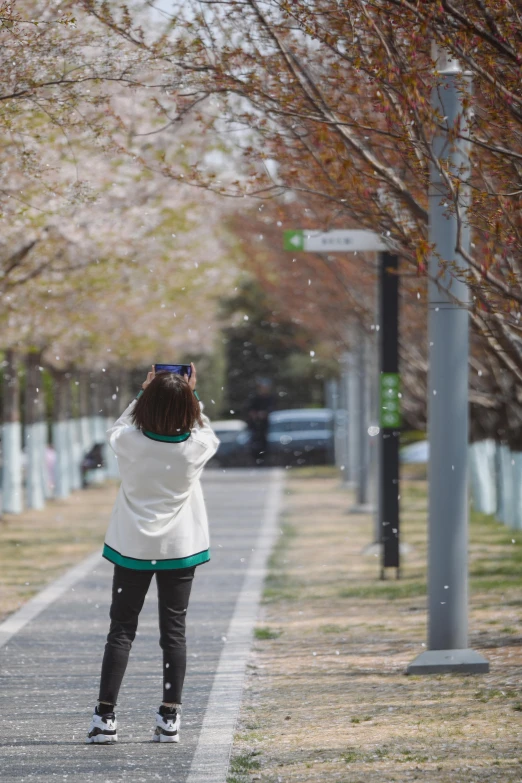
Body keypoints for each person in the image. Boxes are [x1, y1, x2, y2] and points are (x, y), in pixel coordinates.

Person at [87, 363, 219, 745]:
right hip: (180, 548)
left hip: (132, 547)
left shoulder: (130, 442)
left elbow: (117, 428)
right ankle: (169, 718)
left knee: (121, 631)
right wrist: (191, 393)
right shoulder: (195, 448)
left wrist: (145, 391)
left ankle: (105, 718)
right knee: (173, 633)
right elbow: (204, 428)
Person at [245, 377, 275, 465]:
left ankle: (263, 460)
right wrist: (255, 415)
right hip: (254, 426)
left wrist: (264, 414)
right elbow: (249, 410)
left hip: (265, 427)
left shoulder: (270, 398)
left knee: (264, 444)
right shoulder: (254, 397)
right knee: (254, 443)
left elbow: (271, 410)